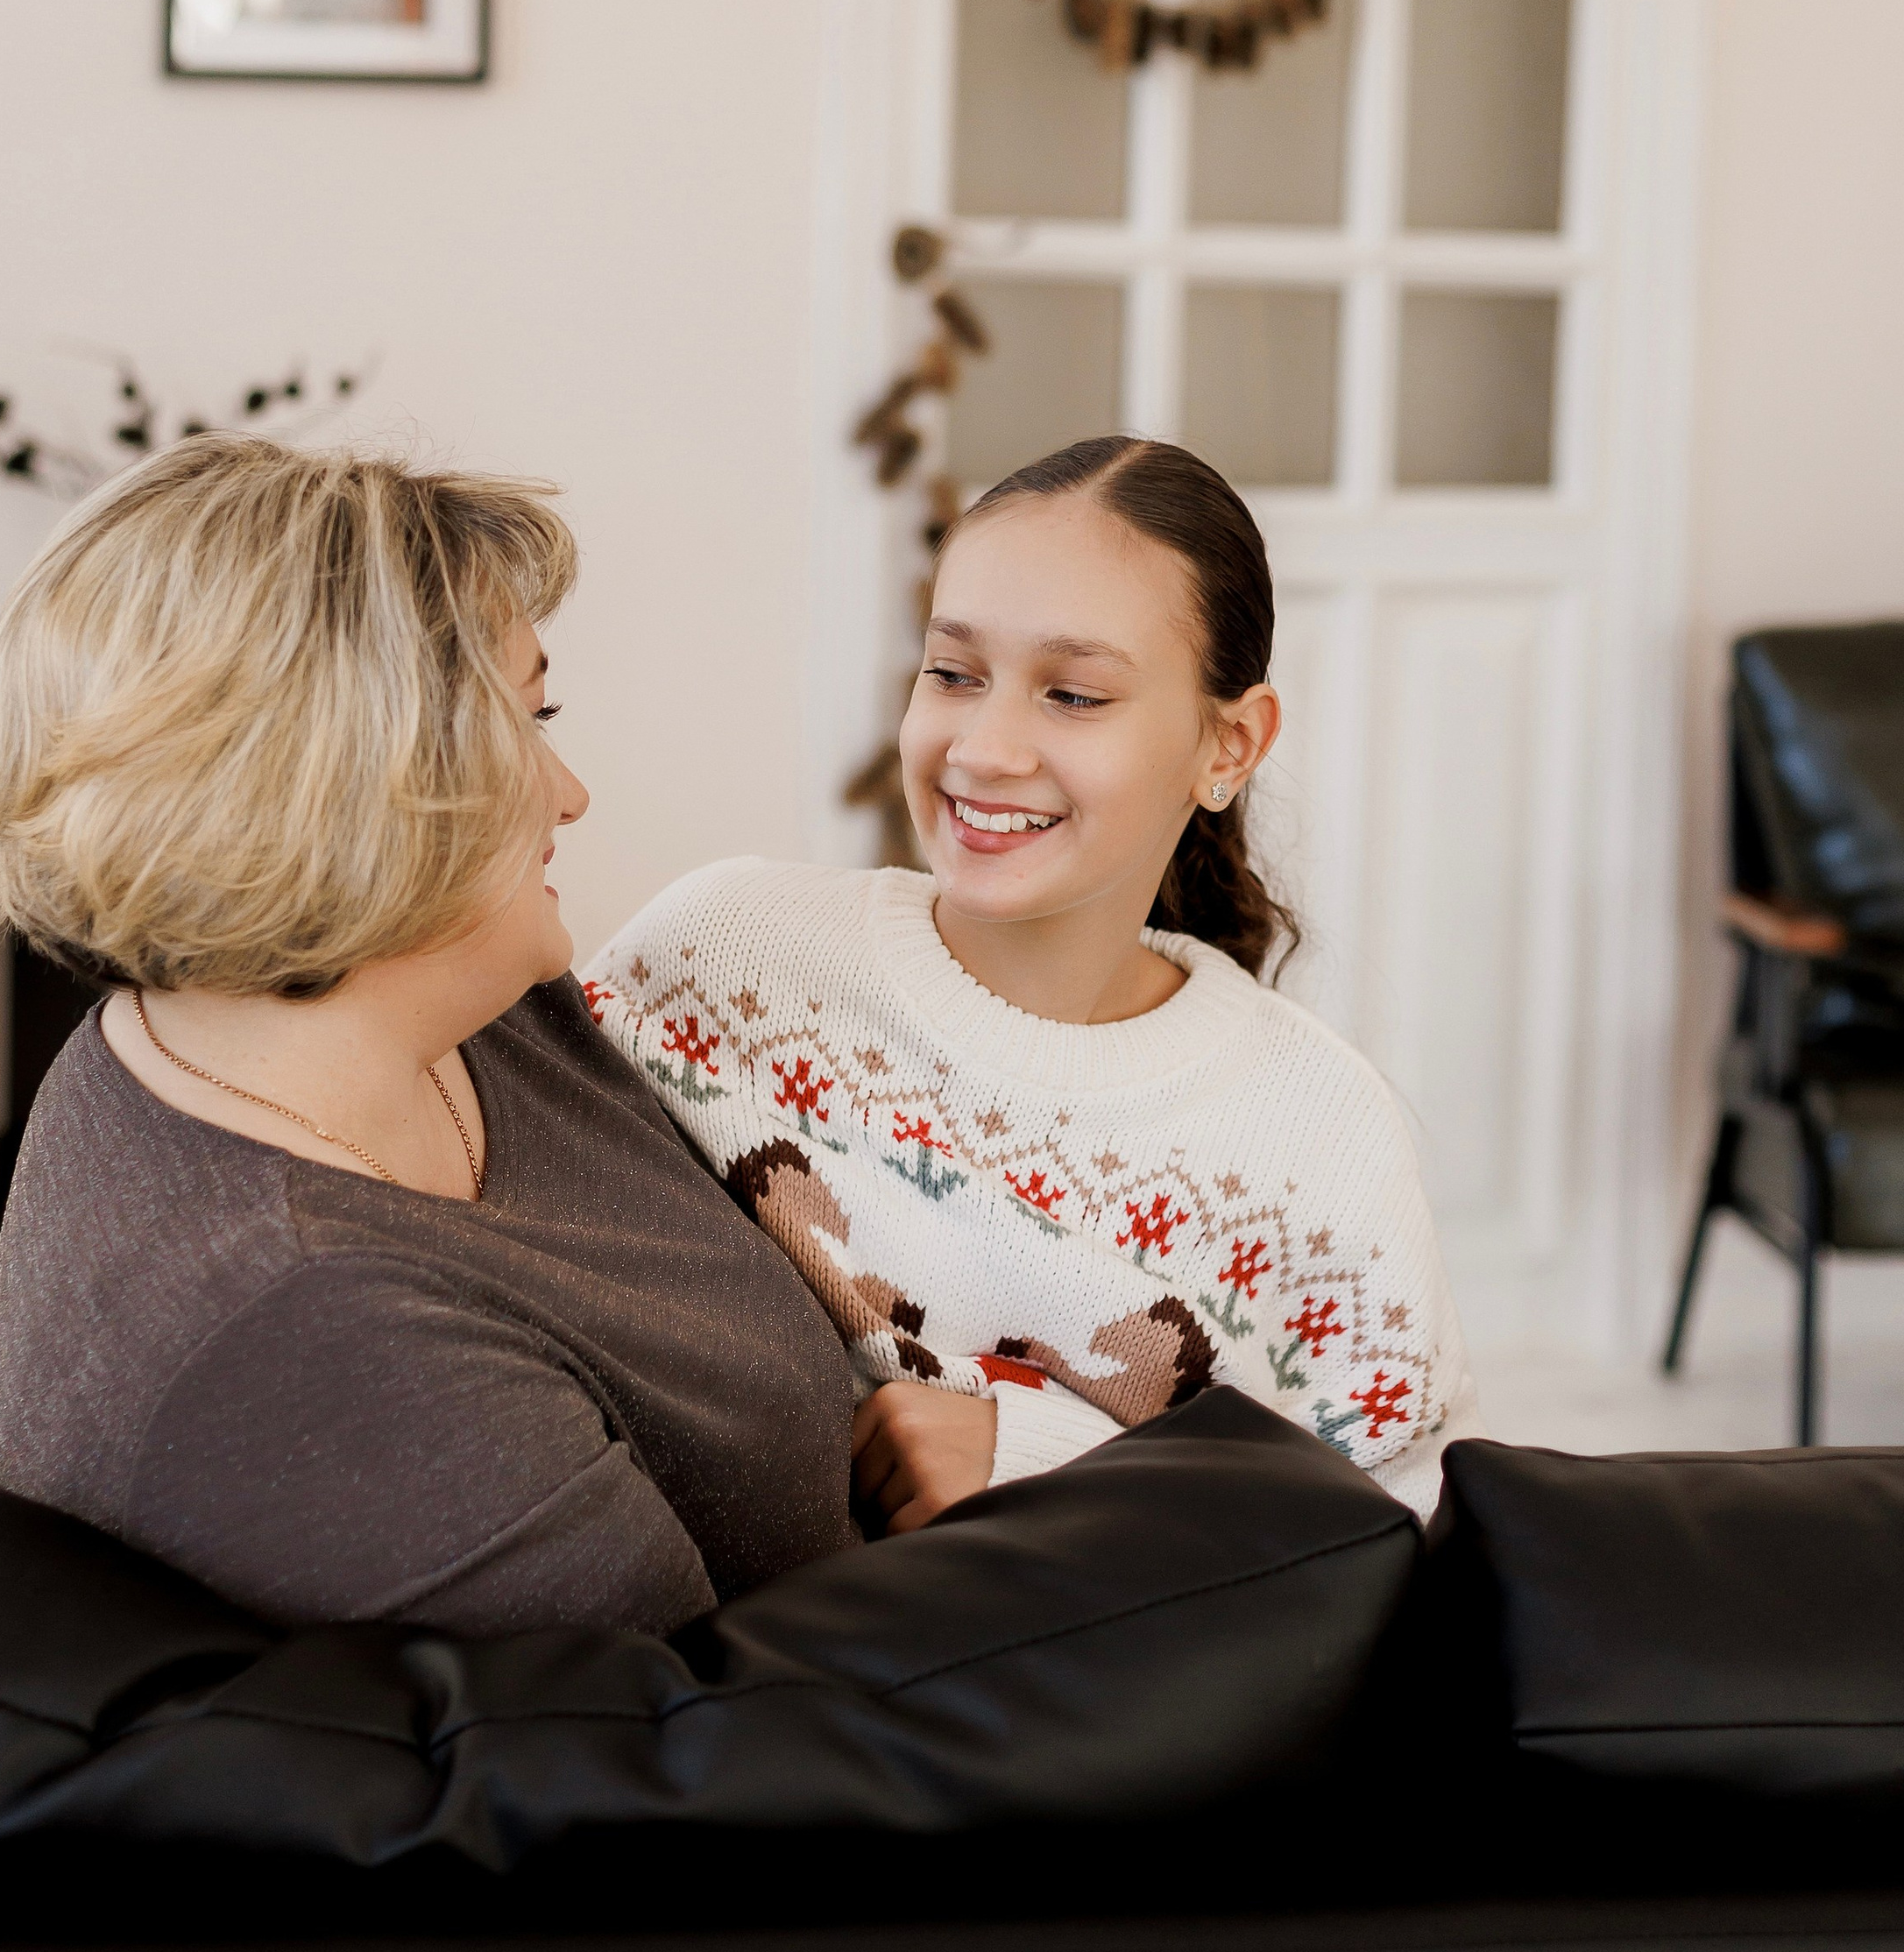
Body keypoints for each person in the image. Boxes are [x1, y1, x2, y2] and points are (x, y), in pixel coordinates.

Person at [0, 438, 860, 1637]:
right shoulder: (314, 1342)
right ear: (358, 780)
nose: (572, 792)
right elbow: (700, 1733)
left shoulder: (464, 1013)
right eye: (528, 720)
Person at [586, 435, 1481, 1529]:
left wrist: (1040, 1460)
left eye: (1073, 694)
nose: (984, 747)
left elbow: (1392, 1541)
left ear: (1230, 746)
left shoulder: (1321, 1142)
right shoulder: (719, 956)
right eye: (953, 673)